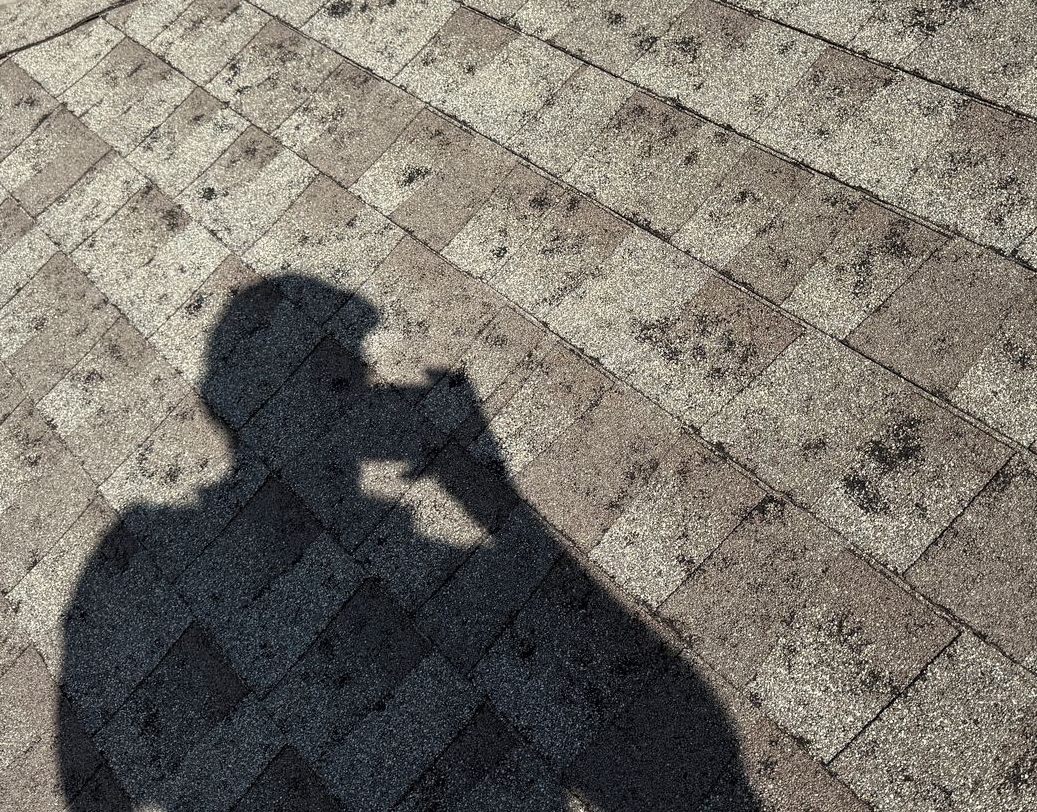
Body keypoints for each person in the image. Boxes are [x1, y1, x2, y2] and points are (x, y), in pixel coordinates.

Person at [56, 274, 752, 810]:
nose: (363, 390)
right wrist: (481, 490)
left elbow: (87, 773)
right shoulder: (152, 555)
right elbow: (637, 675)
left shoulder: (135, 566)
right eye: (352, 376)